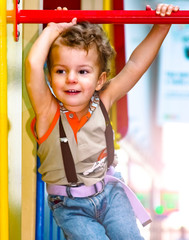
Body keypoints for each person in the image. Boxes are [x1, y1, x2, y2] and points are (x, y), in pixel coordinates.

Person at [25, 3, 179, 240]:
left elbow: (135, 66)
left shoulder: (103, 101)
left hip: (111, 192)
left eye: (83, 71)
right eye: (61, 71)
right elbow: (34, 64)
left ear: (100, 80)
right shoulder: (48, 113)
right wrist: (52, 29)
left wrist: (161, 27)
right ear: (50, 76)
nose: (71, 79)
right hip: (71, 207)